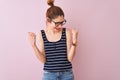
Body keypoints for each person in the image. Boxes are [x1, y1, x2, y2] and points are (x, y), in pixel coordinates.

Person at [28, 0, 78, 80]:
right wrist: (33, 46)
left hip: (66, 74)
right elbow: (43, 60)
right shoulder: (42, 35)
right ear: (48, 20)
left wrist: (74, 41)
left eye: (62, 23)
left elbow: (70, 58)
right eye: (57, 23)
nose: (60, 26)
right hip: (49, 75)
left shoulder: (67, 32)